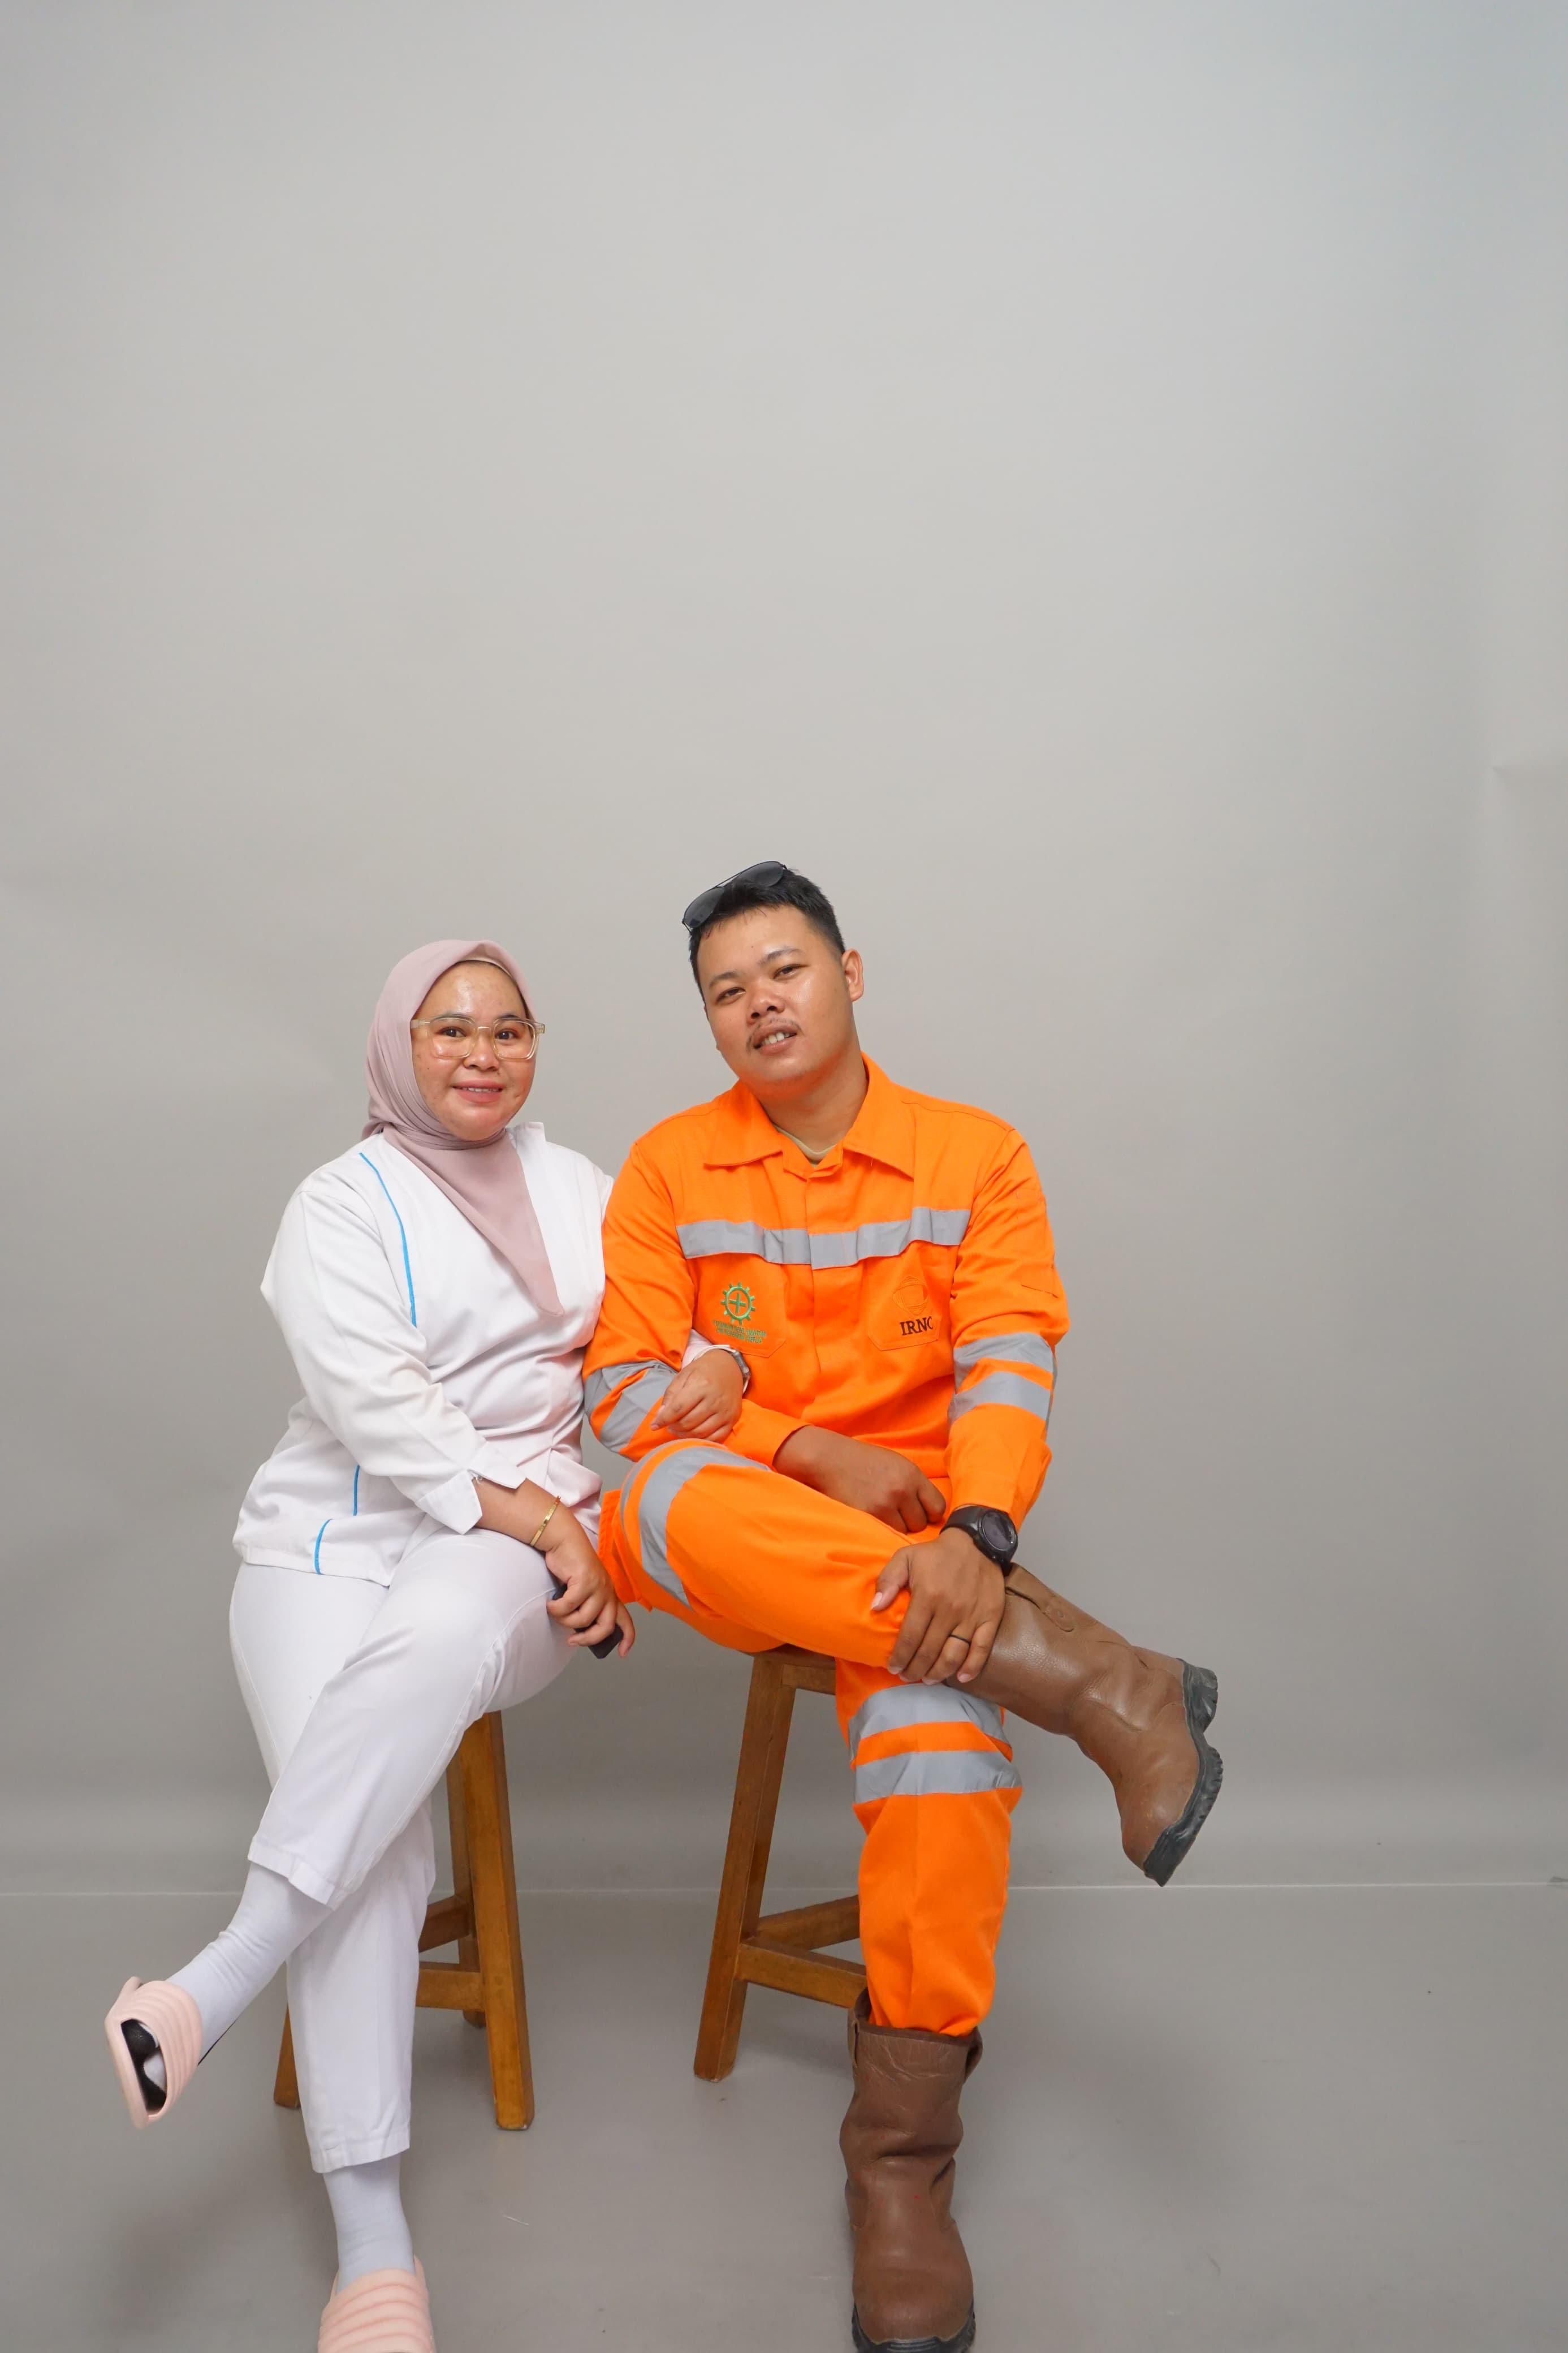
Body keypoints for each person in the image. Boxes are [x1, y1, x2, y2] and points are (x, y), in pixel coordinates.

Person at [584, 864, 1224, 2353]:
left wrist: (977, 1535)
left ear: (849, 972)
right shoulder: (669, 1166)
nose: (761, 1004)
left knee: (939, 1754)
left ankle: (899, 2174)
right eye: (728, 991)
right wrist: (808, 1447)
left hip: (934, 1569)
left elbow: (1009, 1360)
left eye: (784, 970)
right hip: (751, 1539)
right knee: (665, 1498)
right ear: (708, 1022)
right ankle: (1104, 1684)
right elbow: (619, 1390)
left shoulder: (973, 1154)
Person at [102, 939, 738, 2353]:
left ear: (536, 1045)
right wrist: (553, 1519)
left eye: (510, 1029)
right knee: (379, 1829)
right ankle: (373, 2249)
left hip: (507, 1554)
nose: (482, 1054)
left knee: (436, 1641)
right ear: (400, 1045)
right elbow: (385, 1414)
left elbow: (681, 1324)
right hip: (327, 1540)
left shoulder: (586, 1189)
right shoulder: (337, 1202)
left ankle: (216, 1980)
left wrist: (718, 1365)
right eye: (451, 1028)